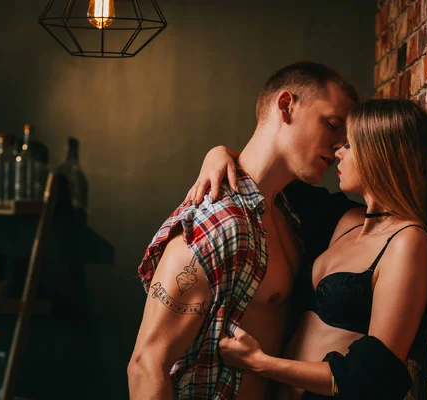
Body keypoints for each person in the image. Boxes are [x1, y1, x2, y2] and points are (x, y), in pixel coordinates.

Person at [127, 61, 361, 400]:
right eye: (332, 124)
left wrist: (221, 152)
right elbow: (146, 365)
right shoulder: (215, 226)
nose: (340, 145)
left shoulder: (289, 212)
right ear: (286, 106)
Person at [186, 98, 427, 399]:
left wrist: (261, 364)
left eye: (349, 145)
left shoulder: (407, 241)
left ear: (378, 154)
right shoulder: (345, 219)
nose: (337, 153)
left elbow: (375, 374)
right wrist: (219, 153)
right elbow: (265, 179)